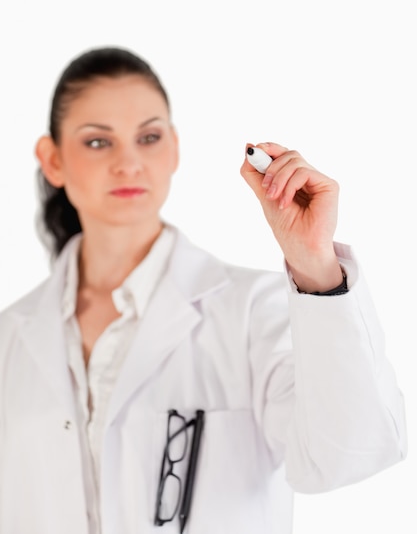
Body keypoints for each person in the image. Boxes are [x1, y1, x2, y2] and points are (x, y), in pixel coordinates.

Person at [0, 46, 407, 534]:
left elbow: (345, 455)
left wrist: (315, 264)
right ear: (53, 159)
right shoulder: (11, 339)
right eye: (97, 142)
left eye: (148, 137)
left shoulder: (254, 312)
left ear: (173, 148)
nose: (128, 163)